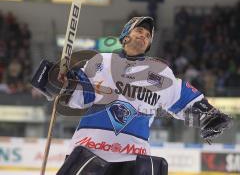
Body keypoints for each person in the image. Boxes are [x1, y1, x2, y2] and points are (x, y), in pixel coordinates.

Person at [31, 17, 232, 175]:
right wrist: (62, 84)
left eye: (147, 35)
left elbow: (181, 96)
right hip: (91, 146)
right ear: (125, 36)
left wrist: (207, 115)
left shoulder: (160, 72)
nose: (144, 36)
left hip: (134, 153)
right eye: (139, 31)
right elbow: (79, 96)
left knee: (155, 168)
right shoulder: (101, 61)